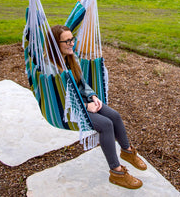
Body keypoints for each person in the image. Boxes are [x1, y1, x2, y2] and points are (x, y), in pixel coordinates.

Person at [47, 25, 147, 189]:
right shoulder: (51, 70)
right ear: (55, 45)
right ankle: (117, 173)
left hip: (84, 102)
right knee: (106, 124)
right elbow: (61, 99)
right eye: (67, 41)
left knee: (114, 116)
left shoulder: (71, 58)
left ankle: (127, 152)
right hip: (69, 110)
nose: (72, 43)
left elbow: (82, 83)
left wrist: (93, 96)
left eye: (72, 39)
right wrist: (87, 106)